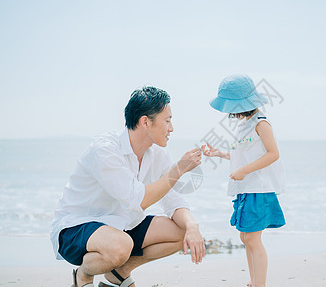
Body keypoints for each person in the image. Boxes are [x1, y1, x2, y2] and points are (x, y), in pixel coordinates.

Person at [50, 86, 206, 287]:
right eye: (167, 120)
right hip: (77, 227)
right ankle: (83, 275)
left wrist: (193, 227)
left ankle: (118, 273)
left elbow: (173, 199)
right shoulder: (105, 150)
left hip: (122, 227)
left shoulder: (157, 154)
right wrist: (178, 170)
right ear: (145, 122)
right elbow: (137, 200)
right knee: (121, 245)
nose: (172, 128)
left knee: (181, 230)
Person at [202, 74, 286, 287]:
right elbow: (242, 154)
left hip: (259, 189)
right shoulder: (244, 124)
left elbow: (273, 154)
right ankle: (253, 281)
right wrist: (218, 153)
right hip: (247, 188)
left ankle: (260, 284)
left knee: (251, 239)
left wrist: (245, 171)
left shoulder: (261, 123)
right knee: (246, 238)